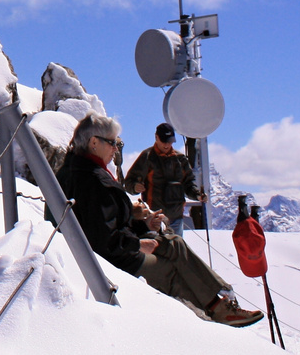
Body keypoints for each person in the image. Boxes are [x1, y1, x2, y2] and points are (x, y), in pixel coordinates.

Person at [57, 114, 263, 327]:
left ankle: (222, 302)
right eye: (112, 143)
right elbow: (101, 238)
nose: (115, 149)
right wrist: (138, 243)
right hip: (116, 259)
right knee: (170, 271)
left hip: (122, 245)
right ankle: (207, 322)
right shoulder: (92, 180)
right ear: (94, 143)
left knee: (175, 244)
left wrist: (143, 225)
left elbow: (109, 222)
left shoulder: (87, 171)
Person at [122, 122, 201, 226]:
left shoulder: (180, 159)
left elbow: (188, 184)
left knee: (176, 242)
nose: (167, 145)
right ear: (156, 137)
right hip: (155, 219)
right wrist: (135, 187)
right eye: (164, 141)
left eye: (170, 141)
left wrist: (197, 195)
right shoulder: (147, 157)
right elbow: (128, 182)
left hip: (176, 218)